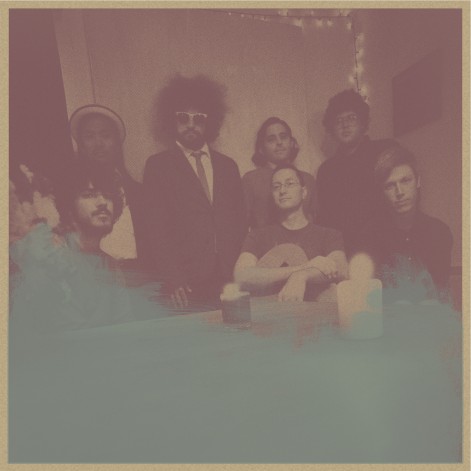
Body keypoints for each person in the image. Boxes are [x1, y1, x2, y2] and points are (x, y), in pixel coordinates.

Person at [9, 160, 163, 332]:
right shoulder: (51, 259)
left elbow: (126, 325)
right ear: (68, 206)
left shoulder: (110, 266)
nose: (102, 202)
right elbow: (71, 335)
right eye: (89, 195)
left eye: (108, 195)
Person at [143, 75, 247, 311]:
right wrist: (173, 278)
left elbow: (240, 222)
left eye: (198, 118)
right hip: (187, 282)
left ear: (210, 122)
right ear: (172, 120)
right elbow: (156, 229)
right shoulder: (158, 166)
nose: (191, 124)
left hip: (230, 276)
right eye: (183, 117)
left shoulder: (228, 166)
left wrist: (241, 270)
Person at [350, 145, 453, 303]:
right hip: (386, 315)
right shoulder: (368, 237)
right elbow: (367, 297)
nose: (399, 192)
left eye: (405, 181)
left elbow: (440, 292)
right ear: (381, 191)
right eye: (390, 186)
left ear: (418, 181)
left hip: (429, 314)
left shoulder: (440, 232)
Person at [234, 163, 348, 302]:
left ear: (304, 192)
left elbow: (341, 270)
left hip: (314, 313)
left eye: (290, 184)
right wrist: (304, 268)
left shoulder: (328, 235)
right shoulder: (257, 236)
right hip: (270, 312)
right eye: (276, 186)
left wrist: (301, 276)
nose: (282, 190)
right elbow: (241, 276)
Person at [69, 104, 148, 273]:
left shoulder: (140, 193)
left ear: (117, 143)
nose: (98, 144)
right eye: (89, 136)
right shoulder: (70, 193)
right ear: (80, 144)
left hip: (140, 277)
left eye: (105, 135)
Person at [316, 89, 395, 254]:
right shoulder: (326, 171)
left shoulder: (385, 151)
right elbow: (325, 221)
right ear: (331, 128)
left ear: (363, 122)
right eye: (338, 120)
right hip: (344, 252)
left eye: (351, 117)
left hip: (387, 245)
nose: (345, 125)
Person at [242, 117, 317, 230]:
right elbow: (242, 223)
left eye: (283, 137)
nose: (279, 142)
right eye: (271, 140)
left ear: (291, 143)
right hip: (265, 240)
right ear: (261, 148)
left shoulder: (307, 179)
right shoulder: (251, 180)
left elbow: (315, 222)